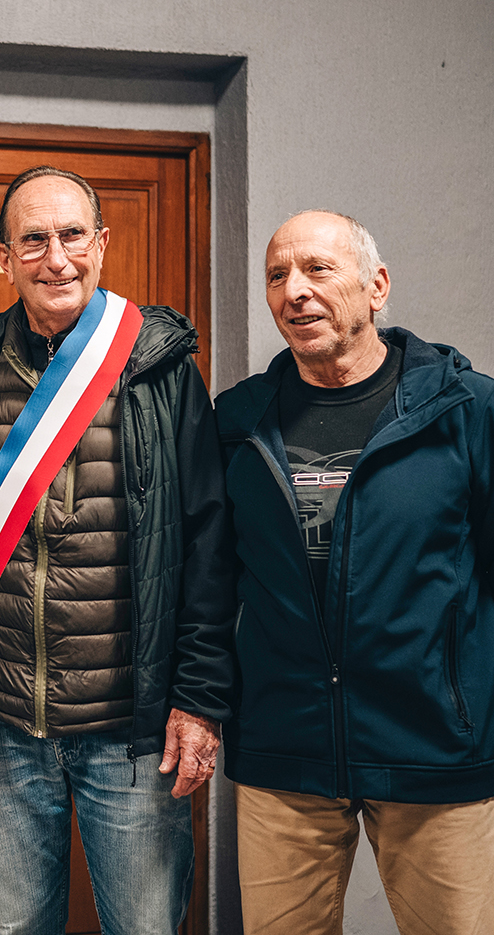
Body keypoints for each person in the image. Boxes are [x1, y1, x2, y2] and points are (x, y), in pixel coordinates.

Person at [0, 166, 234, 934]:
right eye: (33, 240)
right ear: (4, 257)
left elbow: (206, 545)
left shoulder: (161, 372)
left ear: (101, 244)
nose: (54, 258)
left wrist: (197, 700)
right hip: (4, 733)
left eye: (70, 236)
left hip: (132, 732)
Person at [216, 210, 494, 935]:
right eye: (277, 275)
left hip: (434, 748)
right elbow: (211, 586)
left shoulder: (468, 411)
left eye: (316, 269)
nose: (294, 290)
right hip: (285, 751)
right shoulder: (236, 422)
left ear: (377, 287)